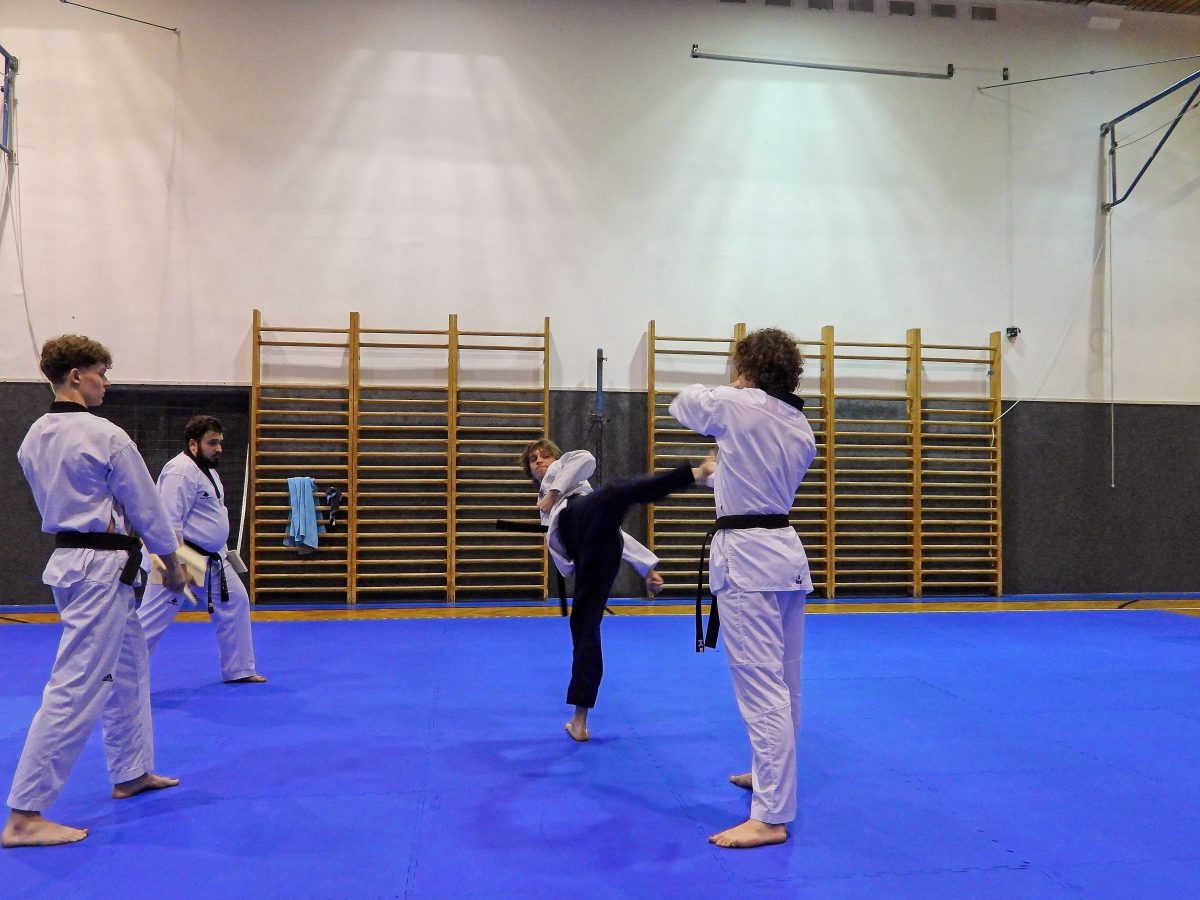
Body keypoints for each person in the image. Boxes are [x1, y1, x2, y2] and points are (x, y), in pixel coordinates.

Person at [2, 335, 191, 849]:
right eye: (101, 373)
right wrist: (171, 559)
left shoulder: (33, 437)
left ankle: (131, 770)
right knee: (76, 684)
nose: (105, 382)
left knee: (128, 668)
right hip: (102, 567)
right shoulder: (104, 435)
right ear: (76, 376)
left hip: (73, 562)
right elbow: (145, 503)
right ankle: (24, 815)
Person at [669, 327, 816, 850]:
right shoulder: (800, 425)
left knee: (760, 686)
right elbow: (755, 478)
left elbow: (682, 403)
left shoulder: (738, 403)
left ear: (746, 367)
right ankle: (767, 774)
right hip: (785, 555)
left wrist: (735, 387)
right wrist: (721, 469)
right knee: (786, 681)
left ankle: (771, 816)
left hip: (749, 561)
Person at [522, 439, 711, 742]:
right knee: (583, 625)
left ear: (557, 459)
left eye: (545, 456)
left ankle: (695, 474)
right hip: (582, 543)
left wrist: (646, 568)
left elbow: (586, 458)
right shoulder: (545, 500)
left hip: (597, 536)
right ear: (529, 470)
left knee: (615, 492)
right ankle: (579, 720)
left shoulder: (567, 474)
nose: (540, 461)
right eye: (534, 460)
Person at [138, 416, 266, 684]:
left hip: (213, 557)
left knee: (236, 601)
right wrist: (174, 566)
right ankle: (116, 677)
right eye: (212, 443)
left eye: (220, 442)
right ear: (193, 444)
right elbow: (168, 522)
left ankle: (239, 669)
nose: (219, 448)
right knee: (152, 620)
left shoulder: (208, 471)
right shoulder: (180, 472)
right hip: (180, 555)